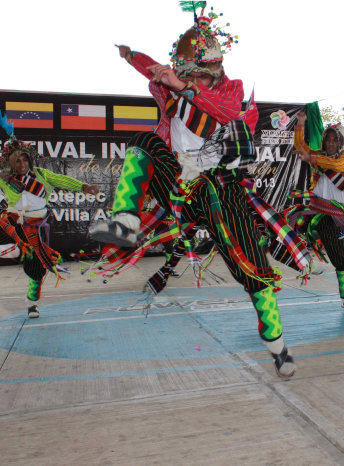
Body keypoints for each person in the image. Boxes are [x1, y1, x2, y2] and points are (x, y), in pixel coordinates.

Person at [90, 3, 310, 377]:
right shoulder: (171, 93)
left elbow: (225, 112)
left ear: (214, 71)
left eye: (199, 76)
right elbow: (152, 69)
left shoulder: (230, 93)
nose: (192, 82)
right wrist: (131, 56)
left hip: (222, 191)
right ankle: (125, 222)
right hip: (180, 186)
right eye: (186, 74)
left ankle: (277, 345)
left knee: (252, 270)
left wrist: (183, 86)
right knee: (144, 140)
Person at [0, 135, 99, 318]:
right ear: (10, 163)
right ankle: (11, 247)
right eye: (17, 161)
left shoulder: (40, 174)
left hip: (35, 228)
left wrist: (84, 187)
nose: (21, 164)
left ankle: (32, 303)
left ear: (29, 159)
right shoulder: (5, 179)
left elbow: (61, 180)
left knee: (36, 268)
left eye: (24, 159)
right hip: (14, 223)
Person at [292, 111, 344, 306]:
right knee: (338, 258)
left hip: (342, 213)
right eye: (328, 140)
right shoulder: (320, 157)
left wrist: (311, 159)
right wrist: (301, 122)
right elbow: (300, 147)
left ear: (340, 142)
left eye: (334, 140)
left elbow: (337, 165)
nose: (330, 144)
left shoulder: (340, 159)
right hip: (324, 216)